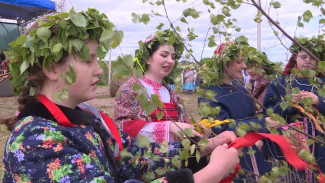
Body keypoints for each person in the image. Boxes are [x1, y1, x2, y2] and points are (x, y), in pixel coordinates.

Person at [1, 9, 240, 183]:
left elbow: (134, 158)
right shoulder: (35, 141)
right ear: (51, 68)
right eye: (88, 60)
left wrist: (202, 148)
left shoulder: (88, 119)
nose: (98, 70)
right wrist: (210, 174)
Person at [198, 37, 271, 182]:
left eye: (244, 61)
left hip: (252, 151)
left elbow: (251, 115)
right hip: (231, 159)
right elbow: (221, 128)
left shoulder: (239, 88)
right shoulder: (209, 93)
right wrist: (264, 124)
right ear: (223, 63)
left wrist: (260, 137)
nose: (244, 66)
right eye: (239, 62)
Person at [114, 30, 206, 143]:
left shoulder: (172, 95)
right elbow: (122, 128)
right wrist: (169, 127)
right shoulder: (130, 89)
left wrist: (198, 131)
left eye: (173, 57)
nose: (170, 61)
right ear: (148, 58)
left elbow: (184, 128)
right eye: (164, 55)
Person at [263, 36, 325, 182]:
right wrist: (287, 105)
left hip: (320, 144)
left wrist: (318, 101)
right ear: (295, 57)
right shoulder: (280, 83)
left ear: (318, 60)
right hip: (289, 145)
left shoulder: (322, 83)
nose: (307, 61)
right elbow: (268, 113)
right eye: (303, 56)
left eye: (312, 58)